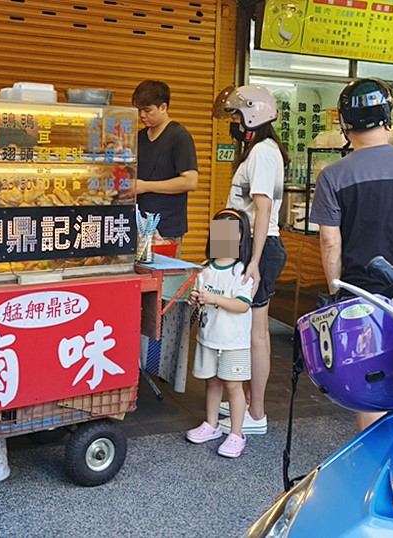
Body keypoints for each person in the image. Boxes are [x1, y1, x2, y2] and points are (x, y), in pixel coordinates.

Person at [308, 78, 393, 431]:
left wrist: (336, 290)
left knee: (373, 381)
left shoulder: (333, 175)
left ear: (345, 125)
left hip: (362, 296)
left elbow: (329, 241)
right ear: (388, 118)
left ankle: (376, 469)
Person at [214, 85, 289, 436]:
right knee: (246, 331)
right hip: (244, 246)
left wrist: (255, 262)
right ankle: (245, 401)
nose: (231, 121)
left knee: (257, 333)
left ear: (253, 115)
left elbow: (262, 210)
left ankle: (256, 413)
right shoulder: (258, 151)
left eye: (235, 114)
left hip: (258, 248)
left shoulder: (262, 153)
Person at [185, 209, 255, 458]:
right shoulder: (205, 270)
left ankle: (237, 433)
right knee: (211, 382)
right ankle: (212, 424)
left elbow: (243, 305)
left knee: (233, 386)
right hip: (208, 339)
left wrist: (214, 298)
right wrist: (195, 299)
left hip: (234, 343)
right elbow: (201, 301)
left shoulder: (243, 272)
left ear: (241, 237)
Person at [132, 80, 199, 254]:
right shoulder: (139, 137)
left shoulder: (179, 136)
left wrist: (146, 186)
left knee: (164, 278)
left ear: (163, 107)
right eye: (139, 110)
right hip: (139, 223)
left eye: (147, 110)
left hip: (167, 227)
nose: (142, 116)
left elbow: (190, 182)